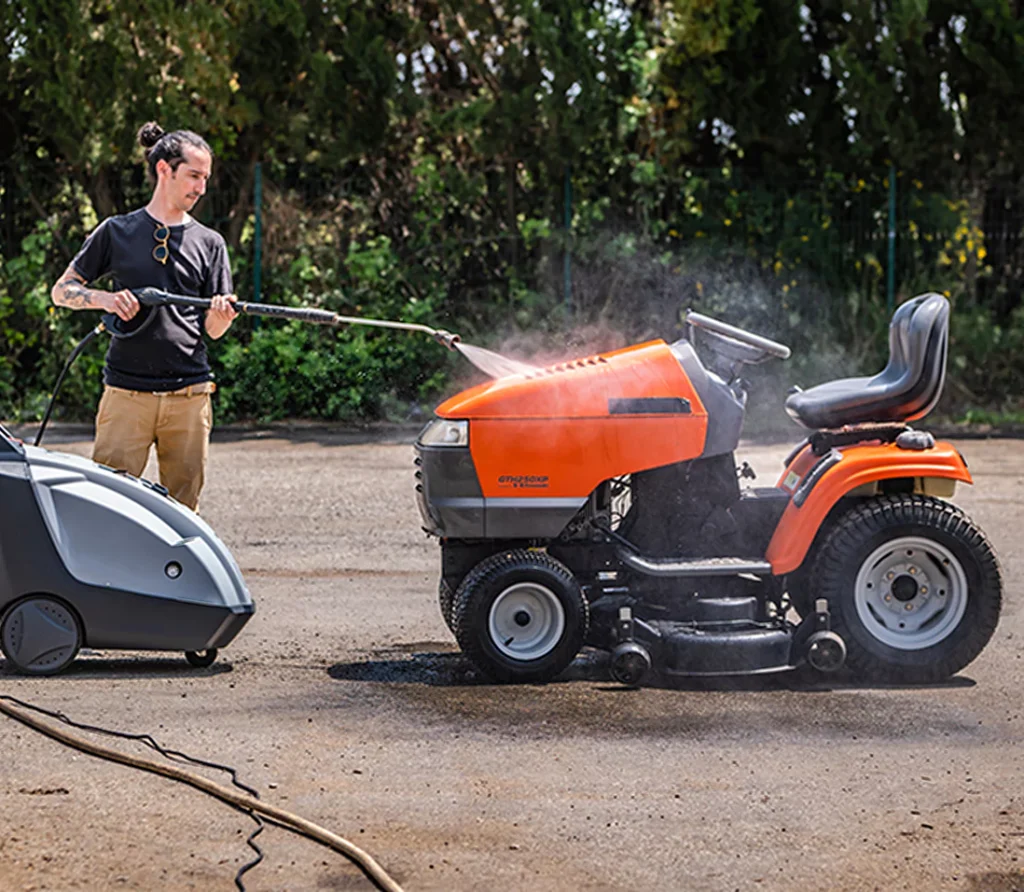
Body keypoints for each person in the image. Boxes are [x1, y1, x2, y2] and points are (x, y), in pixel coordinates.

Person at [50, 122, 238, 511]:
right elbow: (62, 291)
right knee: (108, 509)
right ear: (164, 170)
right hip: (126, 396)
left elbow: (214, 331)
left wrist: (223, 315)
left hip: (190, 396)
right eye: (194, 176)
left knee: (184, 515)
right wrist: (104, 299)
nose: (201, 188)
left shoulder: (211, 243)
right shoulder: (116, 231)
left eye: (206, 178)